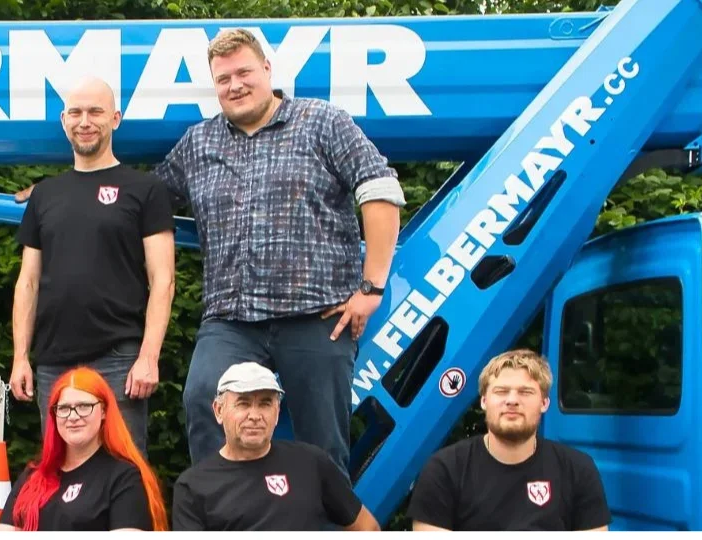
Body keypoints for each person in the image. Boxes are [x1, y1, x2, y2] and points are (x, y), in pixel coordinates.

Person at [153, 28, 406, 469]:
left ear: (267, 69)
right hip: (231, 321)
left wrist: (372, 287)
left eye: (244, 73)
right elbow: (143, 202)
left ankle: (324, 512)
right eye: (223, 79)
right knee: (204, 402)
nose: (235, 85)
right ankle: (222, 508)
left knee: (322, 448)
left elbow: (380, 189)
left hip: (318, 317)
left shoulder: (322, 121)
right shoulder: (198, 143)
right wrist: (54, 194)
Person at [9, 76, 175, 454]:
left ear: (115, 119)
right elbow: (27, 283)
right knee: (59, 468)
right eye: (76, 113)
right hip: (53, 362)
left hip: (120, 360)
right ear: (64, 120)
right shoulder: (45, 195)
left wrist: (148, 357)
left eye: (96, 112)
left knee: (125, 469)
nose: (85, 121)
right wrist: (20, 358)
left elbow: (163, 279)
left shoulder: (145, 190)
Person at [409, 350, 610, 531]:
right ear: (484, 401)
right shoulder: (445, 469)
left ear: (544, 403)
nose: (512, 400)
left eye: (525, 392)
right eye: (501, 391)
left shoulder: (577, 469)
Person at [172, 362, 380, 531]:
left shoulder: (310, 462)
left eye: (265, 403)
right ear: (219, 410)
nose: (255, 416)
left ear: (277, 411)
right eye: (243, 403)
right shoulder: (193, 487)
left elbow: (367, 528)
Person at [0, 366, 169, 532]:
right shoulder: (34, 475)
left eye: (84, 406)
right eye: (64, 408)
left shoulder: (124, 477)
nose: (73, 416)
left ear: (104, 411)